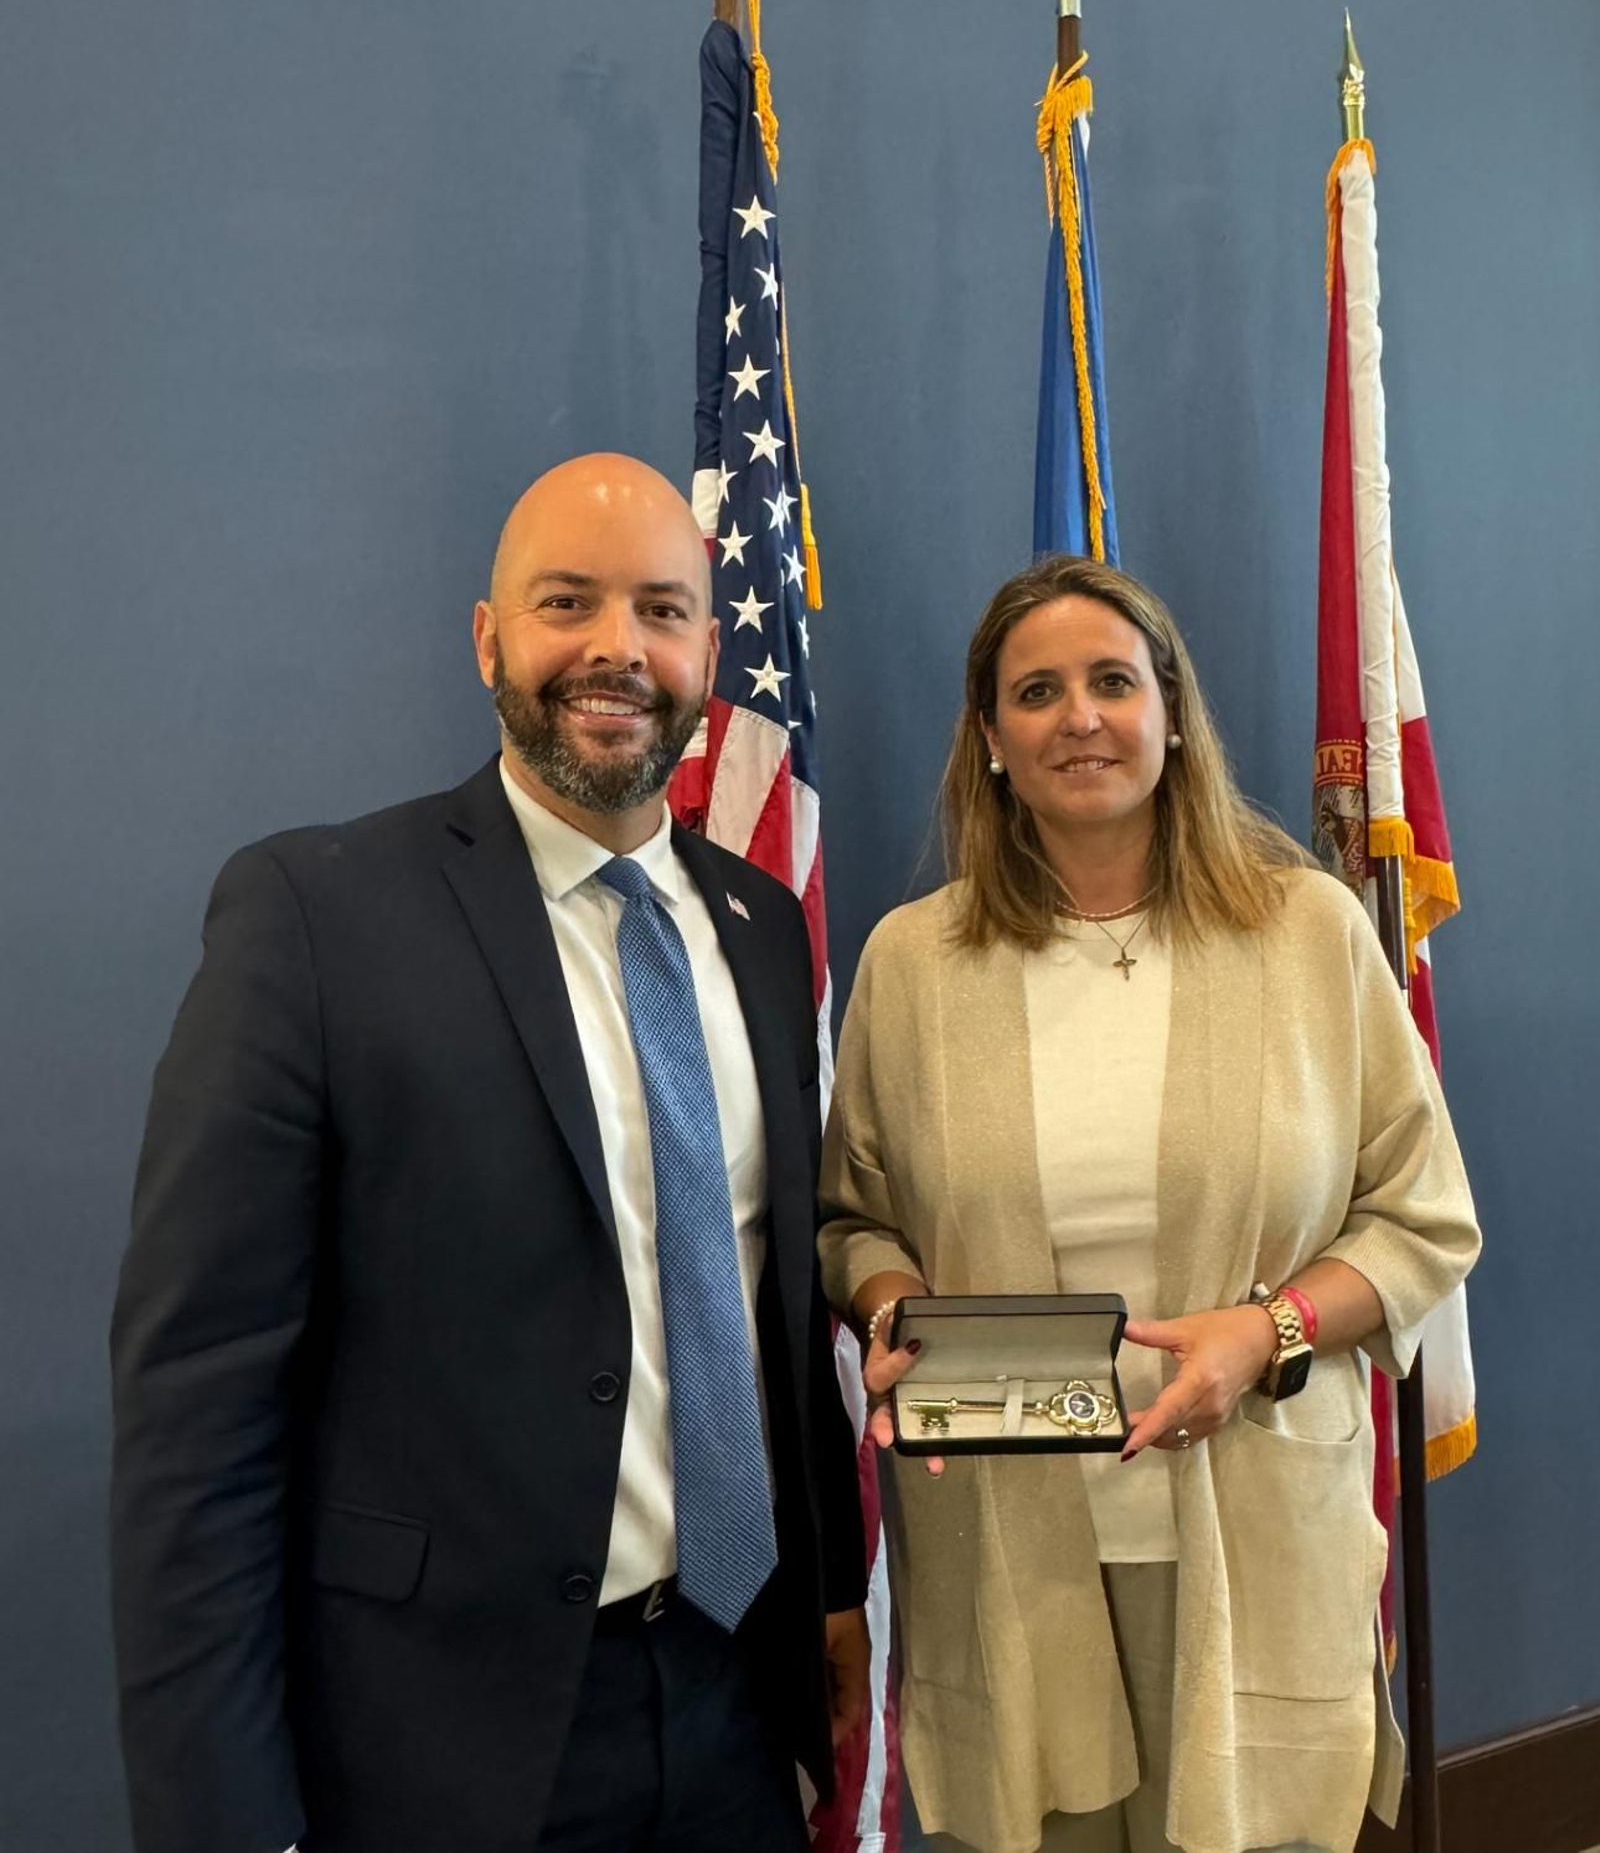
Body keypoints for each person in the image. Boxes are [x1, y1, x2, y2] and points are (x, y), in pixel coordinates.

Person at [111, 453, 869, 1853]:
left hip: (729, 1706)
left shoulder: (764, 930)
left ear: (708, 645)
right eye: (566, 602)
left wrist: (829, 1584)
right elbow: (197, 1408)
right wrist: (218, 1813)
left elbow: (767, 1303)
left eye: (659, 609)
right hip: (442, 1735)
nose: (616, 649)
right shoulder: (317, 918)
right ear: (488, 639)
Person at [818, 553, 1480, 1853]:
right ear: (991, 740)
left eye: (1114, 682)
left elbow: (1422, 1213)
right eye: (1038, 691)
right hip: (1014, 1544)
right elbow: (853, 1219)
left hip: (1254, 1522)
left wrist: (1269, 1330)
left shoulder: (1308, 933)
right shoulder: (913, 966)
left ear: (1172, 717)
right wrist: (893, 1299)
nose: (1080, 716)